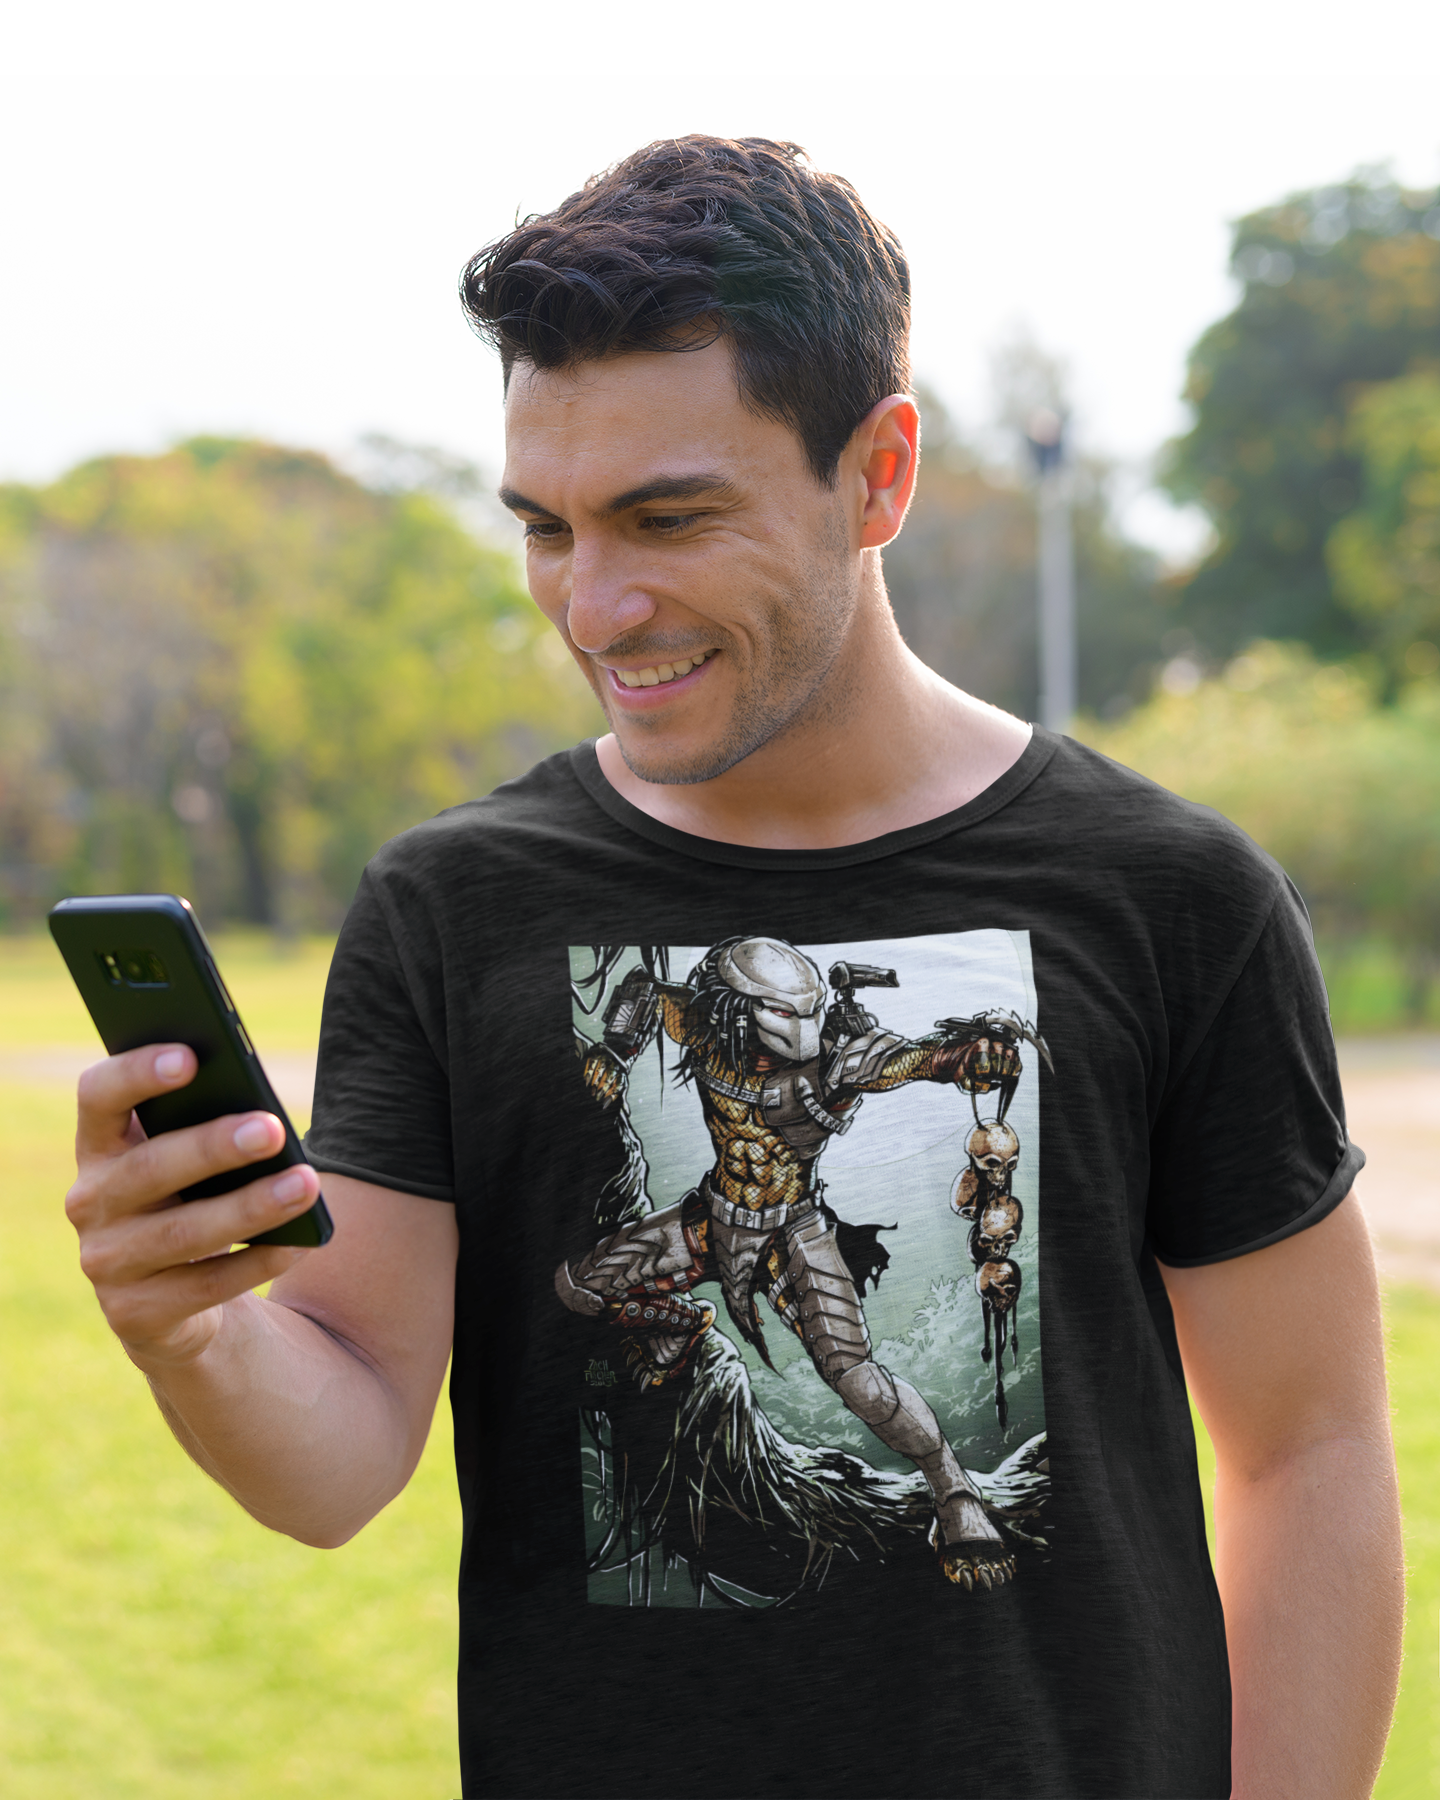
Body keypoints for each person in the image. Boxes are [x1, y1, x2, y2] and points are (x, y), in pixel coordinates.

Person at [64, 136, 1402, 1799]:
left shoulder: (1170, 898)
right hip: (704, 1268)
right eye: (546, 529)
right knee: (606, 1291)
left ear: (879, 475)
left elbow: (1310, 1450)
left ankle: (950, 1485)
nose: (594, 608)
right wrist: (190, 1331)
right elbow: (333, 1461)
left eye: (667, 518)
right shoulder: (449, 908)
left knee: (859, 1375)